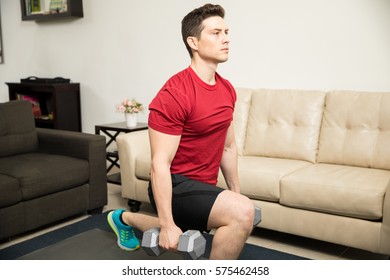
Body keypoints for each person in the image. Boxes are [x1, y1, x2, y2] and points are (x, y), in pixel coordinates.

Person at [108, 3, 255, 260]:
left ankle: (124, 218)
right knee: (243, 212)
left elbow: (228, 146)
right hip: (176, 186)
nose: (226, 39)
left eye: (226, 32)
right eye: (216, 33)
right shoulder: (175, 94)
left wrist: (235, 192)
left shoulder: (227, 89)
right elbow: (160, 164)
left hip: (202, 186)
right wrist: (166, 223)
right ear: (193, 42)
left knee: (229, 209)